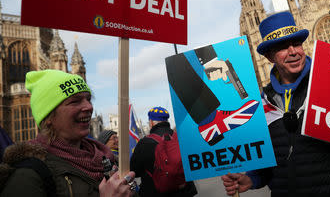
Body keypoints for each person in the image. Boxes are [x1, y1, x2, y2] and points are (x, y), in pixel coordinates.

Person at [221, 11, 330, 197]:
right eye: (282, 47)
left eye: (296, 43)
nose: (293, 52)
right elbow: (271, 162)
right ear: (269, 57)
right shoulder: (263, 104)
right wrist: (251, 179)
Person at [0, 69, 136, 197]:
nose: (89, 106)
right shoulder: (28, 174)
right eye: (75, 101)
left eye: (88, 99)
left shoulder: (107, 159)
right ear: (48, 117)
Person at [130, 106, 197, 197]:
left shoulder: (144, 143)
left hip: (156, 192)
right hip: (185, 190)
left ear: (151, 122)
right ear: (167, 121)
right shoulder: (180, 137)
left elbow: (134, 171)